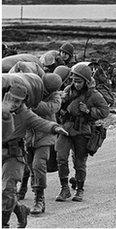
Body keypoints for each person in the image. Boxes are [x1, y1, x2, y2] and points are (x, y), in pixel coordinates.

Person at [2, 84, 68, 228]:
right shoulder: (2, 108)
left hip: (13, 155)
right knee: (5, 194)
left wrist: (55, 127)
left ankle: (4, 223)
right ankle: (20, 210)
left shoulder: (26, 114)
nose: (14, 104)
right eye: (12, 100)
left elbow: (41, 122)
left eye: (18, 101)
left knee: (8, 190)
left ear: (24, 102)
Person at [55, 63, 110, 202]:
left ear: (86, 81)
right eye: (74, 81)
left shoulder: (94, 94)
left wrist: (88, 111)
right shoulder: (68, 90)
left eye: (79, 82)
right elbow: (57, 108)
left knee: (79, 162)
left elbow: (105, 111)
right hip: (65, 128)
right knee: (61, 158)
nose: (76, 84)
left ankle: (79, 189)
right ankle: (64, 189)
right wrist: (61, 103)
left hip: (82, 130)